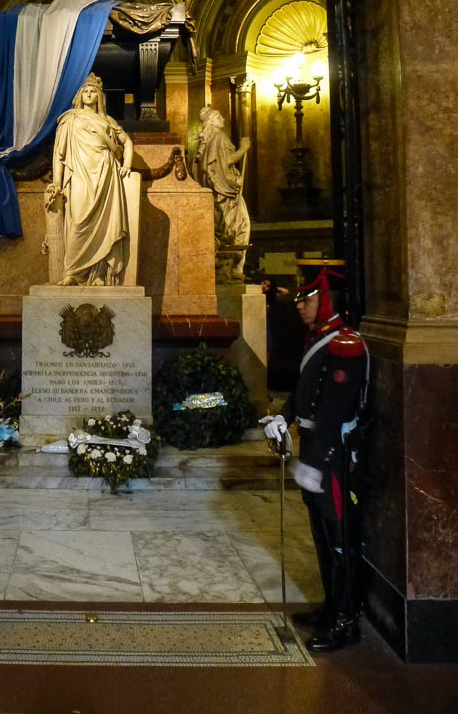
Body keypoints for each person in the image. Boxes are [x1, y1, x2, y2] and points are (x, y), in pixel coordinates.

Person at [260, 260, 369, 652]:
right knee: (323, 537)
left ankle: (345, 620)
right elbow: (305, 393)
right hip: (315, 450)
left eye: (307, 298)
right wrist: (283, 417)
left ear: (325, 300)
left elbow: (335, 409)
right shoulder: (319, 337)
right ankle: (331, 607)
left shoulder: (345, 344)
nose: (299, 304)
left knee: (340, 539)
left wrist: (315, 461)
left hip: (333, 457)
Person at [49, 73, 134, 286]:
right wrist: (57, 183)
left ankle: (97, 274)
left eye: (93, 92)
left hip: (105, 173)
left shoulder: (107, 121)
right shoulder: (71, 119)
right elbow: (59, 154)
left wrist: (127, 164)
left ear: (99, 97)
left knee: (105, 224)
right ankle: (73, 272)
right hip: (79, 173)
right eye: (85, 91)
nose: (89, 94)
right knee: (77, 220)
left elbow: (128, 143)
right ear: (80, 95)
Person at [192, 106, 250, 280]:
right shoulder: (219, 137)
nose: (223, 119)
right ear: (212, 120)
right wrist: (243, 148)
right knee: (240, 227)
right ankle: (233, 271)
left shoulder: (204, 142)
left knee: (221, 230)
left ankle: (222, 271)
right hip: (226, 192)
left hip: (214, 192)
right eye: (219, 116)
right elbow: (227, 161)